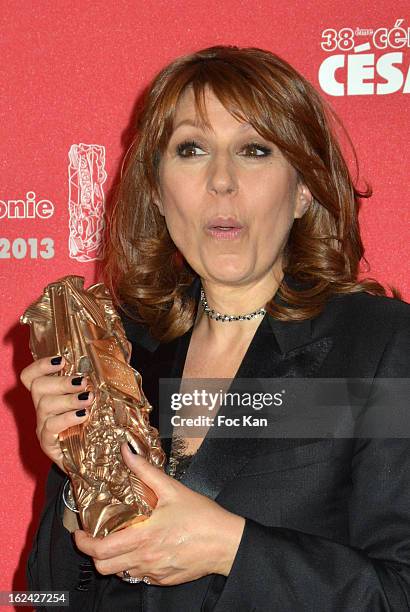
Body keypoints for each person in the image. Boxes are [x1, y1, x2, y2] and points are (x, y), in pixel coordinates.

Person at [20, 45, 410, 611]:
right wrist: (80, 482)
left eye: (254, 150)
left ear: (303, 189)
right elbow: (50, 597)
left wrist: (231, 549)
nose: (222, 181)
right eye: (192, 149)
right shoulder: (120, 352)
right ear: (157, 189)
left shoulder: (378, 347)